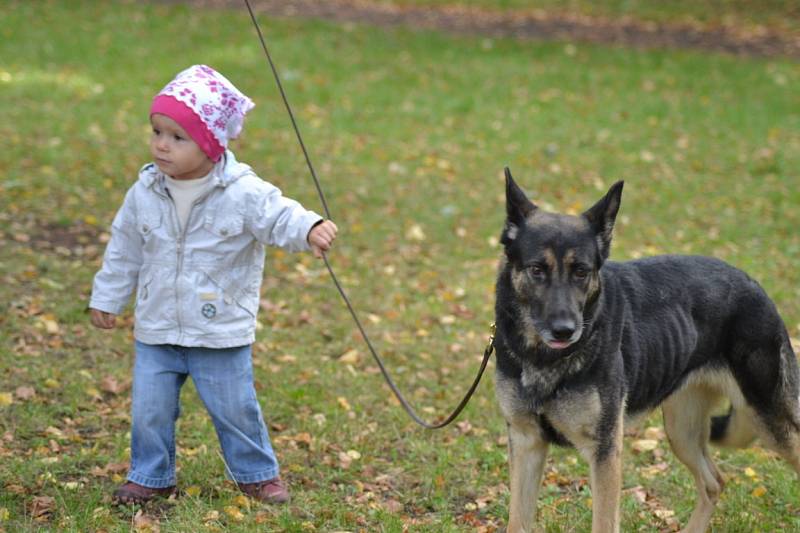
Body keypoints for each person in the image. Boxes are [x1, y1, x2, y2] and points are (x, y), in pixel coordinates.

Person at [89, 64, 337, 505]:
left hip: (219, 329)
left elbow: (278, 213)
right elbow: (124, 248)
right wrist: (108, 297)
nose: (162, 145)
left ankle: (256, 472)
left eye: (177, 137)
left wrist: (309, 227)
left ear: (210, 144)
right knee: (150, 411)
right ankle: (150, 474)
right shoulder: (144, 191)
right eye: (157, 132)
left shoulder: (242, 192)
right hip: (158, 326)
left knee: (235, 409)